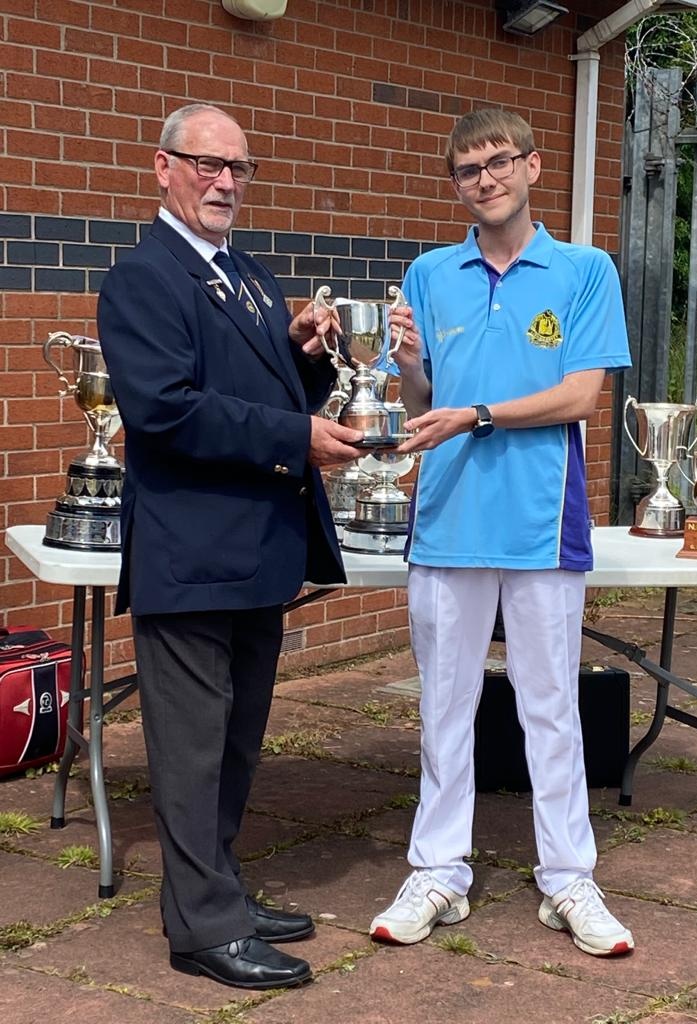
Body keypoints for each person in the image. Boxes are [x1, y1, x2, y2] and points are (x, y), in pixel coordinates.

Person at [97, 103, 363, 991]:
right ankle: (202, 928)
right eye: (206, 164)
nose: (224, 182)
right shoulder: (144, 277)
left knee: (237, 742)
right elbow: (165, 410)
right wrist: (297, 437)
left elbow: (265, 390)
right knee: (192, 751)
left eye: (238, 168)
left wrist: (306, 359)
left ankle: (220, 892)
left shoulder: (245, 272)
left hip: (255, 551)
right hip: (191, 554)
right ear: (163, 167)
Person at [368, 108, 635, 958]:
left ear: (531, 166)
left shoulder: (585, 270)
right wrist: (412, 366)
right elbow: (421, 406)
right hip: (447, 520)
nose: (484, 180)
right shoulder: (428, 274)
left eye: (498, 163)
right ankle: (438, 872)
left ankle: (568, 878)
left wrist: (476, 413)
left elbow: (580, 396)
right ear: (454, 184)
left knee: (550, 709)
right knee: (443, 709)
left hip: (539, 523)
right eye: (466, 170)